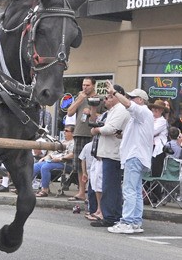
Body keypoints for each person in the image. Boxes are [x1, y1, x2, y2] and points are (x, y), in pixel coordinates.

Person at [107, 84, 154, 234]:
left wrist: (114, 92)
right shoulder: (142, 115)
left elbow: (127, 105)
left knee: (129, 190)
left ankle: (127, 222)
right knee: (136, 190)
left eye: (133, 97)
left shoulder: (142, 112)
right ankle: (135, 222)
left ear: (140, 100)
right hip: (138, 156)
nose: (130, 99)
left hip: (134, 156)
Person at [89, 85, 130, 228]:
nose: (105, 99)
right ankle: (114, 215)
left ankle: (110, 216)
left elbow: (110, 129)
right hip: (107, 152)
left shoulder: (121, 110)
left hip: (113, 153)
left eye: (108, 96)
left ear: (115, 96)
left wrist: (96, 130)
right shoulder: (112, 111)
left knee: (110, 187)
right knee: (112, 186)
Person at [66, 77, 105, 201]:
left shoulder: (100, 99)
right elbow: (69, 112)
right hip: (78, 132)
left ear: (93, 85)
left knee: (92, 164)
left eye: (87, 85)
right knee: (79, 165)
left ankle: (92, 192)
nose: (84, 87)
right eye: (83, 85)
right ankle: (81, 192)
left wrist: (92, 113)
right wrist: (79, 100)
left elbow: (105, 116)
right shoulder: (80, 97)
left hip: (92, 134)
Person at [34, 126, 74, 197]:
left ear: (72, 133)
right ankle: (23, 187)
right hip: (54, 161)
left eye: (67, 131)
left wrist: (60, 159)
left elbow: (72, 155)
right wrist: (45, 157)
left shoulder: (73, 142)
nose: (64, 132)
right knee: (35, 166)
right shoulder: (62, 142)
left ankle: (45, 190)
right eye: (64, 130)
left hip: (65, 163)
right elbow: (53, 153)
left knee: (45, 167)